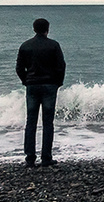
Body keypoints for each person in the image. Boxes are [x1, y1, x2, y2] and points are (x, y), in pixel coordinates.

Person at [16, 17, 66, 168]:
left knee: (30, 122)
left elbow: (19, 68)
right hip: (49, 85)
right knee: (47, 122)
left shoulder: (25, 46)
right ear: (47, 29)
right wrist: (58, 83)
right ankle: (46, 157)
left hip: (32, 86)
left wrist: (26, 80)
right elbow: (61, 66)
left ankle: (30, 158)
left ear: (34, 29)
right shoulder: (53, 45)